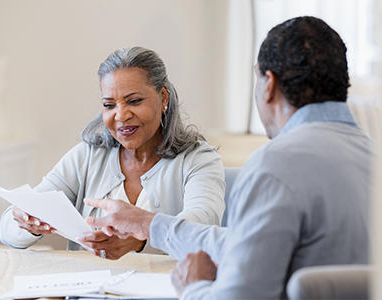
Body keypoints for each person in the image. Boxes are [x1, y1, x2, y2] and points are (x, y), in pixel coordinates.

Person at [83, 16, 375, 299]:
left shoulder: (275, 166)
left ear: (268, 84)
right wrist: (150, 225)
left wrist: (193, 287)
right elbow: (247, 246)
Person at [0, 46, 225, 260]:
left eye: (134, 101)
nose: (121, 115)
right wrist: (27, 223)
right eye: (109, 105)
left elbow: (201, 226)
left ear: (163, 97)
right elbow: (7, 231)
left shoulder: (199, 160)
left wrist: (139, 239)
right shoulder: (87, 156)